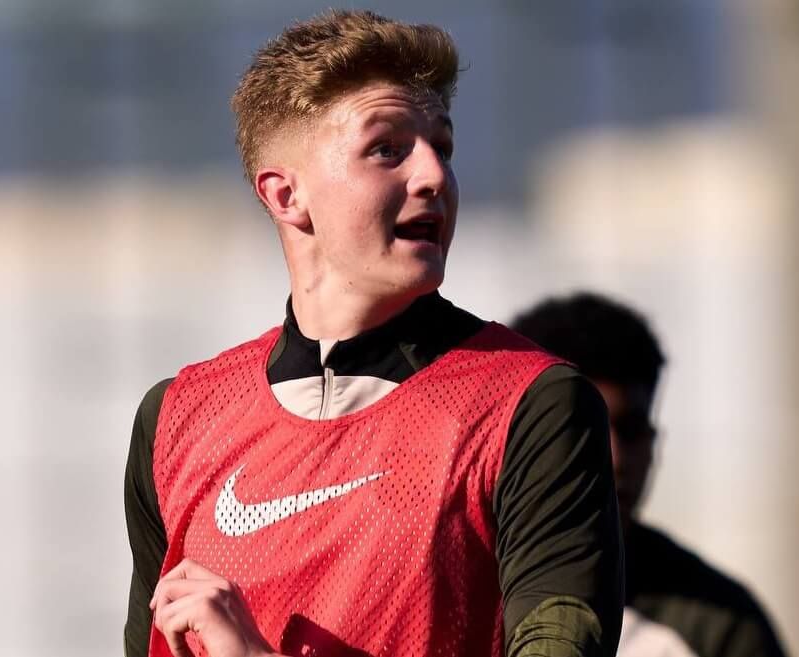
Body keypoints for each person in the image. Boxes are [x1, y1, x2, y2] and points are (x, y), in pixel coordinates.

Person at [124, 10, 624, 657]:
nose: (433, 177)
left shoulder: (530, 406)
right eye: (386, 148)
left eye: (441, 146)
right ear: (284, 195)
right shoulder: (176, 418)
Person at [511, 292, 789, 657]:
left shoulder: (719, 626)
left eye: (630, 429)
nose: (614, 457)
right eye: (581, 429)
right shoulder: (445, 582)